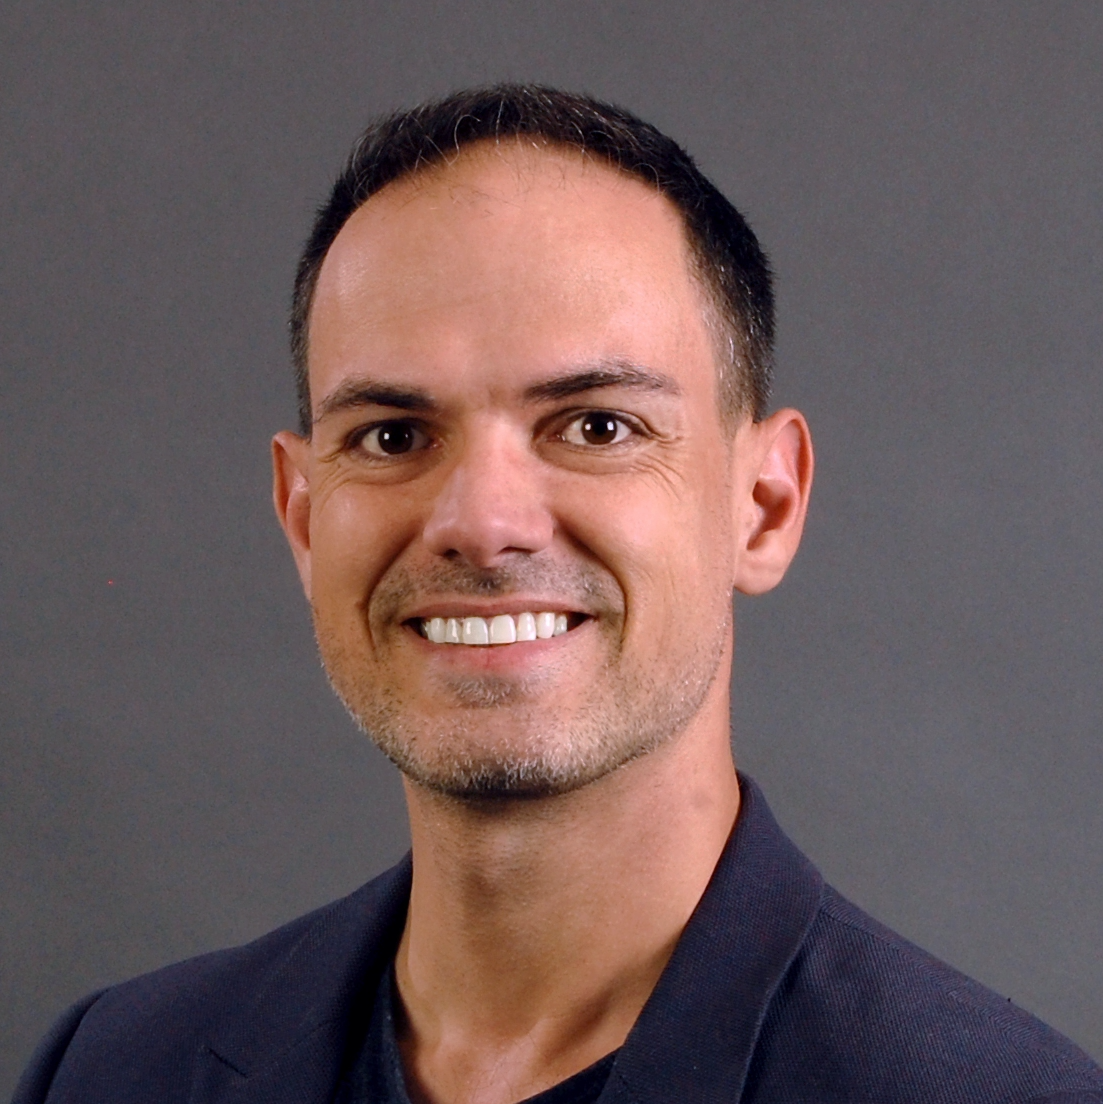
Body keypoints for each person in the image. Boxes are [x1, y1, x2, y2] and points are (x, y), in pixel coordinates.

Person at [13, 84, 1103, 1104]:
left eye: (595, 427)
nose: (481, 523)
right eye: (392, 436)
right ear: (302, 517)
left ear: (763, 505)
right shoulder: (112, 1069)